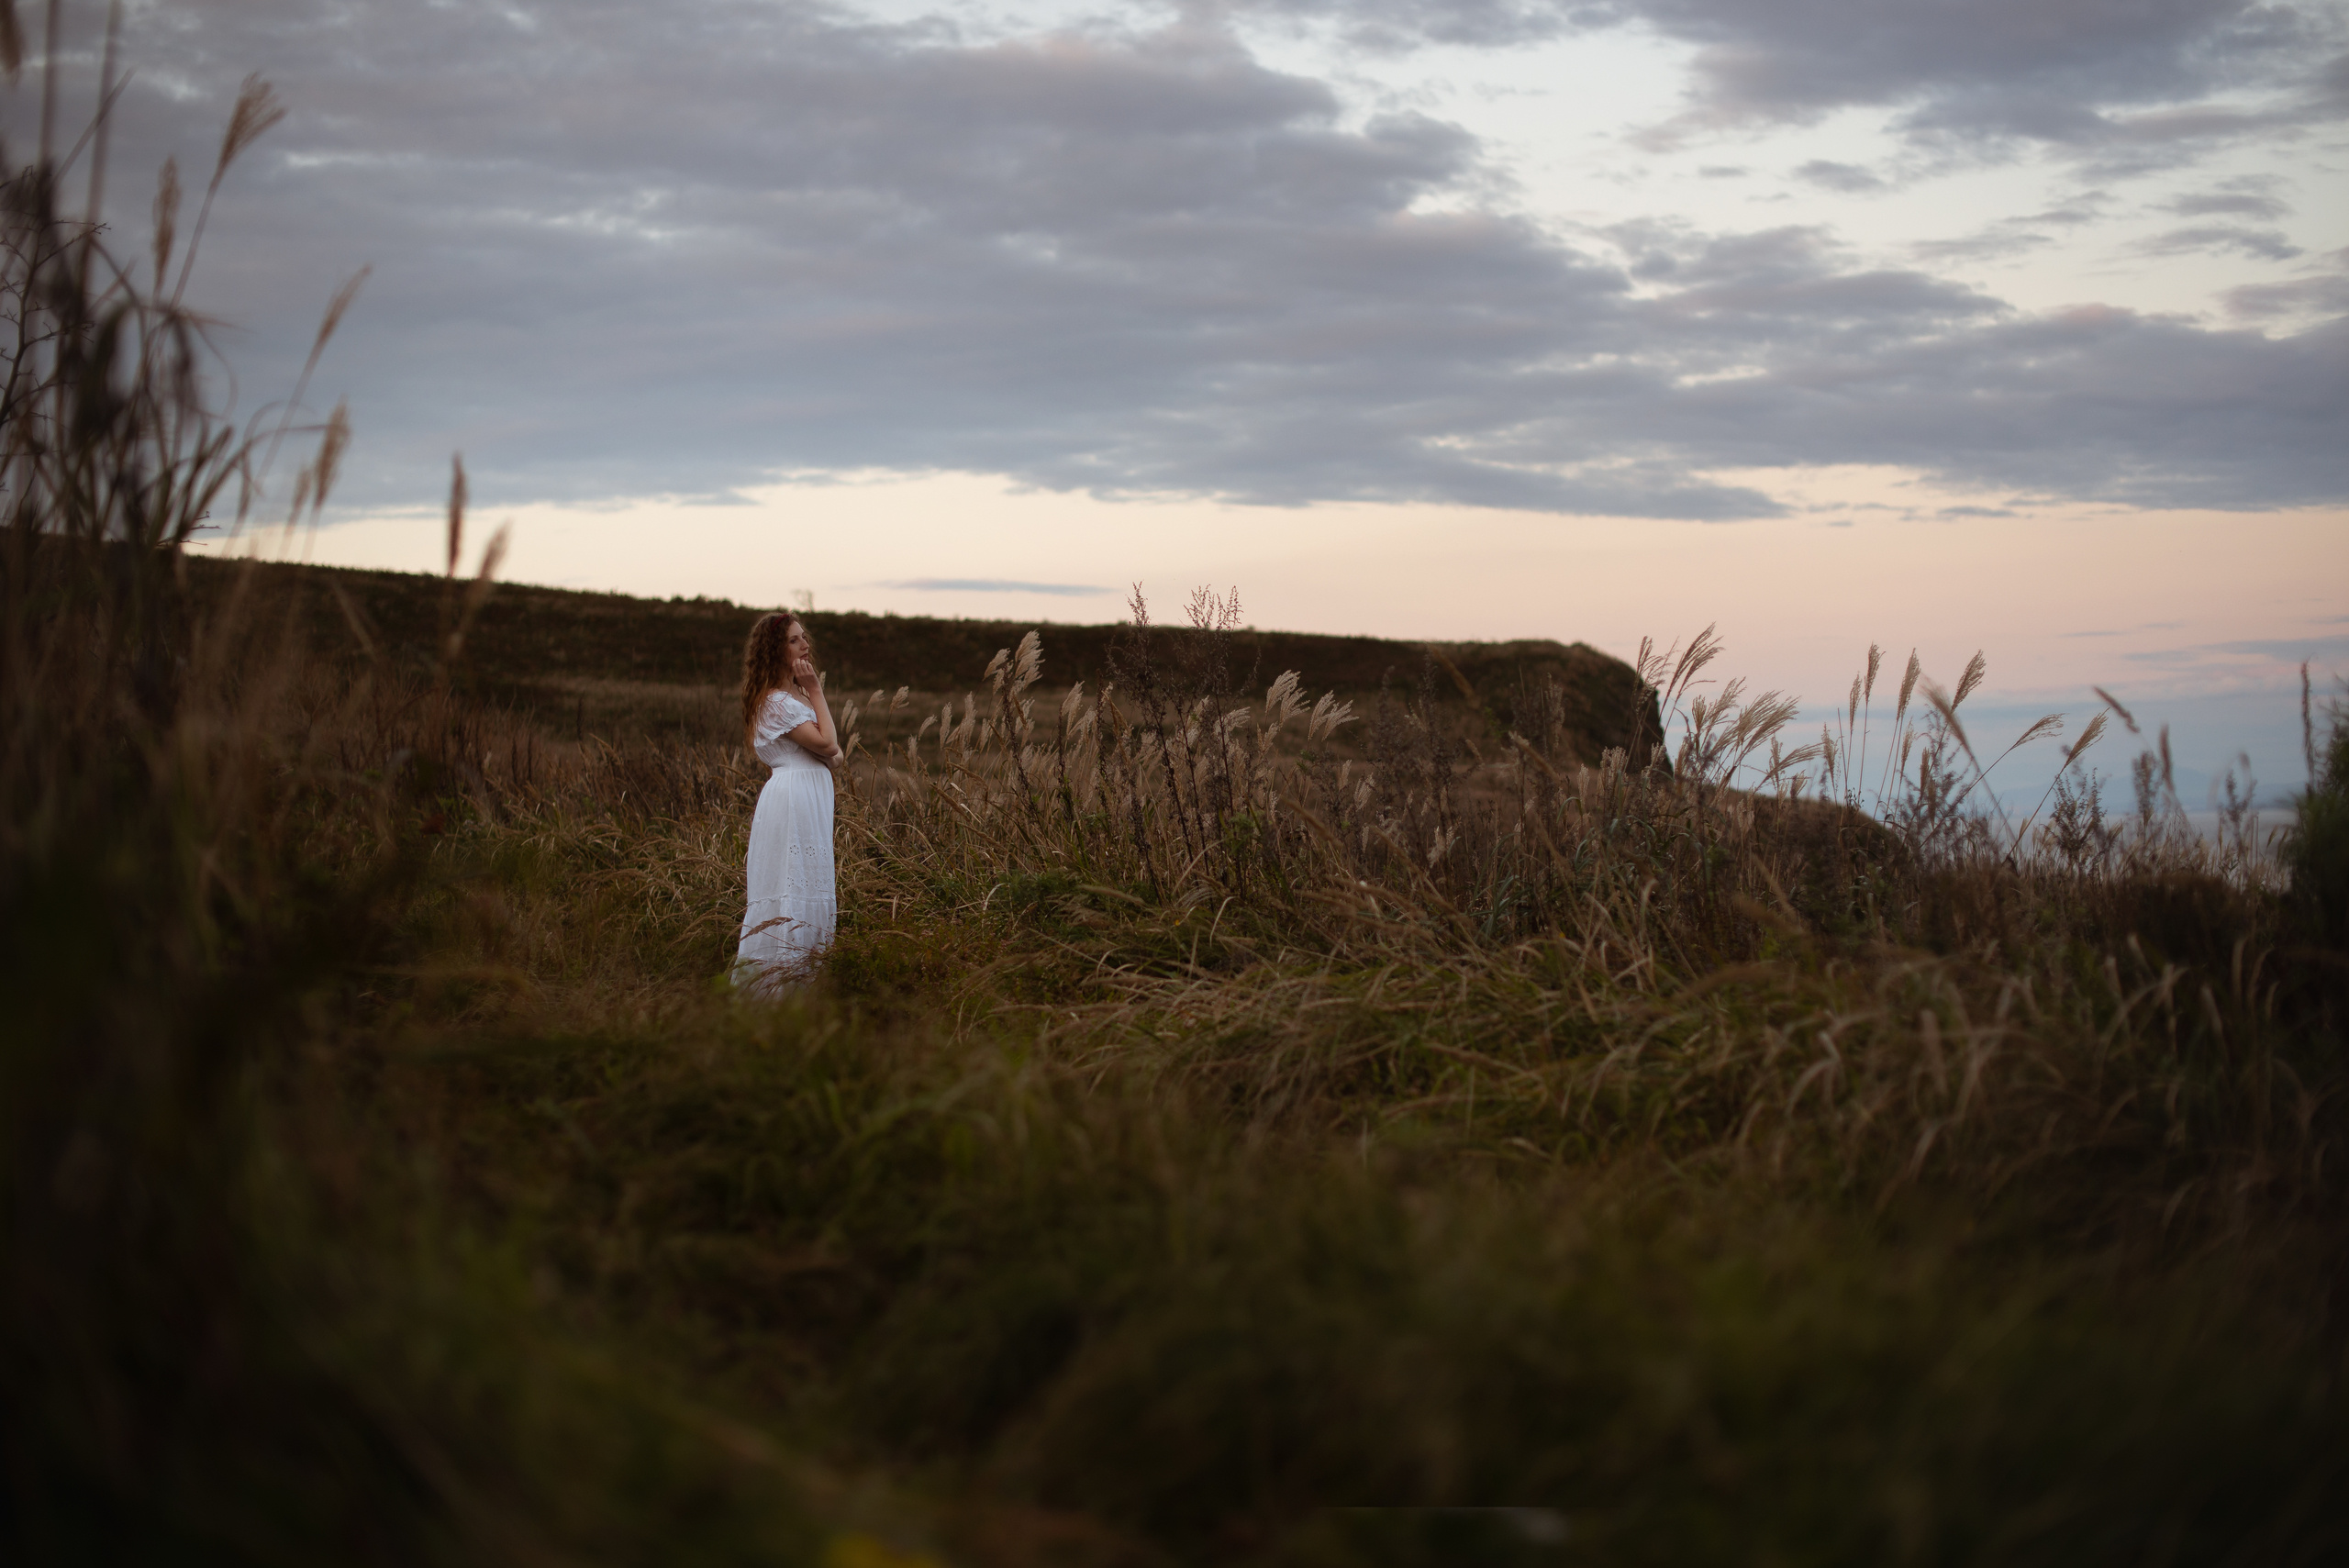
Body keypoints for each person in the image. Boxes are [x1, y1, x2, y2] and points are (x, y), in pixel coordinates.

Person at [734, 610, 841, 993]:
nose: (804, 645)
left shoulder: (790, 700)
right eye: (794, 640)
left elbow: (836, 756)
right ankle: (772, 992)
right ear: (775, 651)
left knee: (810, 887)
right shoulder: (778, 702)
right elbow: (829, 745)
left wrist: (812, 701)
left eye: (804, 637)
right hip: (793, 799)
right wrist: (816, 690)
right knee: (792, 891)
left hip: (808, 799)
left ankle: (802, 990)